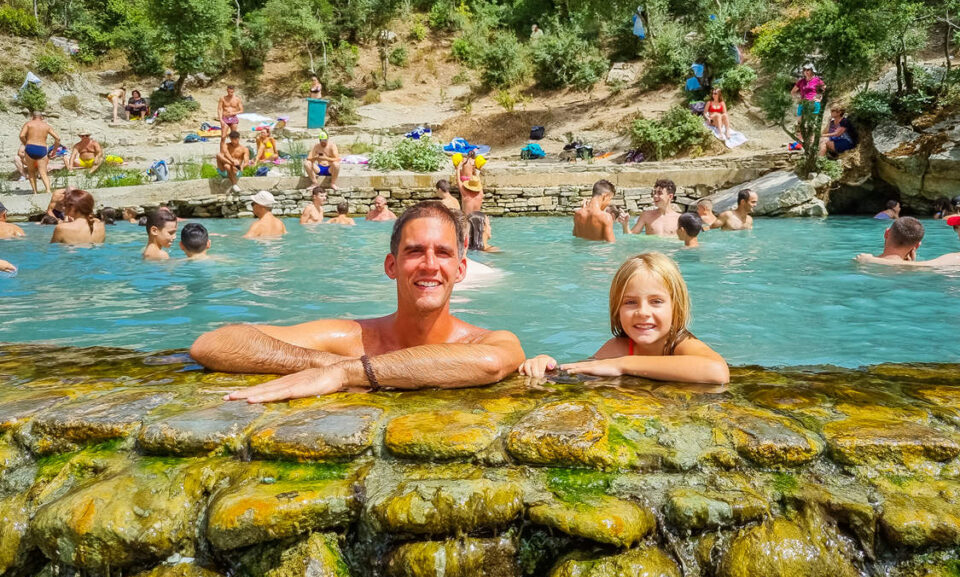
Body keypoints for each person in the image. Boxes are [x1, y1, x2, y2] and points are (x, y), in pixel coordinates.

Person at [190, 201, 525, 401]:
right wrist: (326, 365)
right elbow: (214, 343)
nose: (429, 264)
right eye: (414, 251)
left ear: (460, 269)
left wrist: (350, 373)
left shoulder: (484, 341)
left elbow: (491, 363)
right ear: (391, 266)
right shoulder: (352, 337)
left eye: (442, 252)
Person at [518, 252, 728, 384]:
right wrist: (546, 365)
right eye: (630, 302)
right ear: (617, 309)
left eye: (656, 301)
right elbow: (579, 373)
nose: (643, 312)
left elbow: (717, 372)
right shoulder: (618, 347)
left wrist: (624, 365)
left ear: (677, 307)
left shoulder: (681, 343)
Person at [19, 112, 60, 194]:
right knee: (43, 172)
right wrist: (54, 150)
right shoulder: (46, 126)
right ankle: (48, 190)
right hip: (42, 148)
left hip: (30, 147)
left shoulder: (28, 124)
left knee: (31, 171)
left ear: (32, 117)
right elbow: (58, 138)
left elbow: (21, 135)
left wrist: (25, 144)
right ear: (42, 117)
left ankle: (35, 192)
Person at [854, 217, 925, 264]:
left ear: (886, 233)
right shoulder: (919, 269)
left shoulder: (861, 262)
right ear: (917, 245)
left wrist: (869, 259)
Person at [458, 150, 484, 214]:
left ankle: (463, 205)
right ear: (474, 156)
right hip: (469, 179)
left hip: (463, 178)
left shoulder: (464, 160)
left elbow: (460, 168)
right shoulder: (473, 162)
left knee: (463, 194)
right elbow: (475, 171)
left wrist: (458, 170)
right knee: (467, 193)